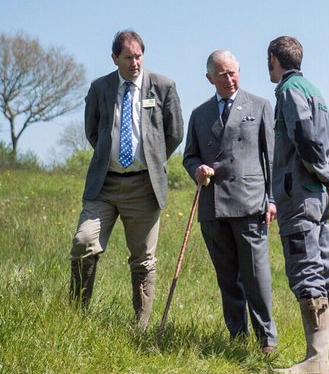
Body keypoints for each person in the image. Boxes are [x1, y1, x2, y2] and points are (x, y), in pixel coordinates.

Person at [69, 30, 184, 329]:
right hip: (104, 185)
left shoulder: (163, 86)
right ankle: (75, 316)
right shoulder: (99, 87)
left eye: (138, 56)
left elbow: (174, 133)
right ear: (114, 59)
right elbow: (93, 131)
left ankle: (140, 327)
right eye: (128, 57)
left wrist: (152, 157)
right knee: (84, 242)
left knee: (143, 259)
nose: (135, 63)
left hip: (144, 186)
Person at [267, 36, 329, 374]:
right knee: (328, 271)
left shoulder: (290, 91)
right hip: (318, 195)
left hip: (300, 195)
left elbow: (304, 137)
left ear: (273, 58)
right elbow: (326, 143)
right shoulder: (315, 91)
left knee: (307, 271)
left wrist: (324, 173)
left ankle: (317, 360)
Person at [181, 50, 277, 353]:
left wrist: (272, 199)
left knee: (256, 276)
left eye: (233, 72)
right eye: (222, 74)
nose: (229, 79)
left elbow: (272, 157)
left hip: (250, 204)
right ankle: (238, 337)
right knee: (227, 278)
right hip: (213, 207)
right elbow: (189, 156)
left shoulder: (260, 106)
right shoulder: (199, 114)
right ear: (210, 78)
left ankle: (266, 340)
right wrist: (197, 169)